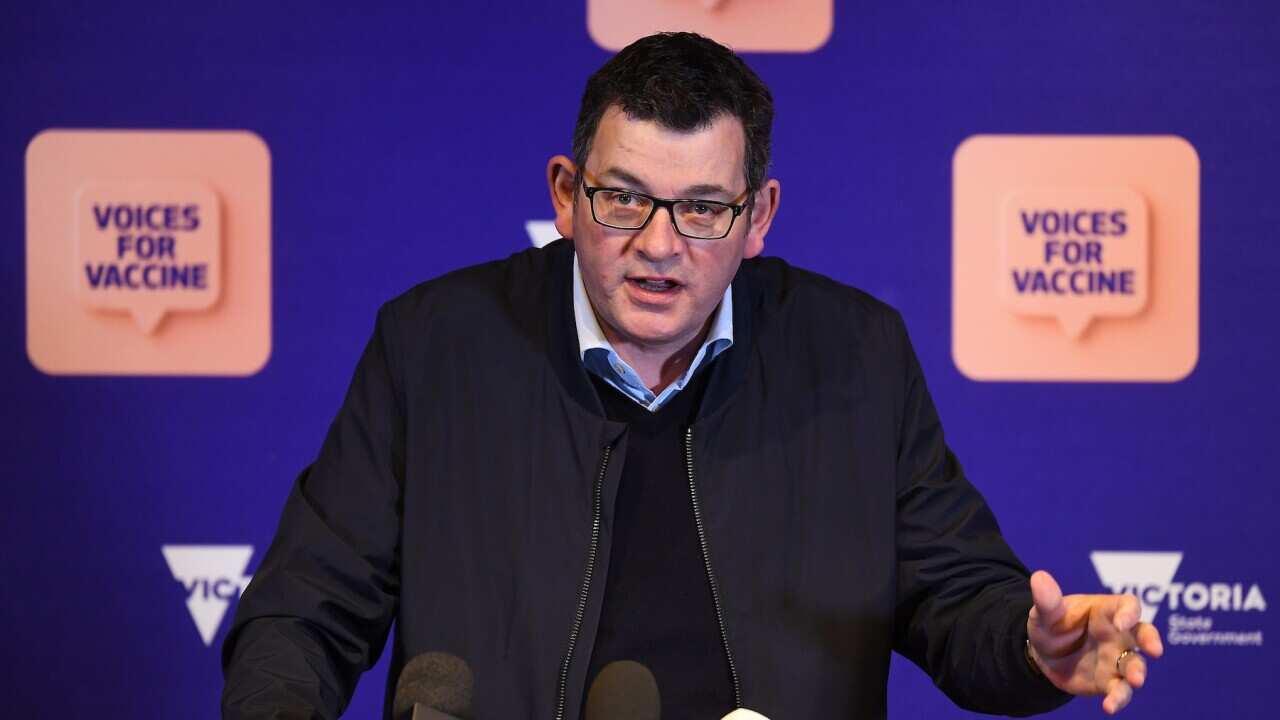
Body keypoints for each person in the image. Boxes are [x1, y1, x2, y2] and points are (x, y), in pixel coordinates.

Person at [222, 32, 1162, 719]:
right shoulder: (435, 346)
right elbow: (301, 615)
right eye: (625, 198)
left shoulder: (856, 357)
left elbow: (959, 601)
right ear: (565, 194)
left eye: (705, 208)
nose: (659, 247)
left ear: (760, 218)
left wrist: (1035, 649)